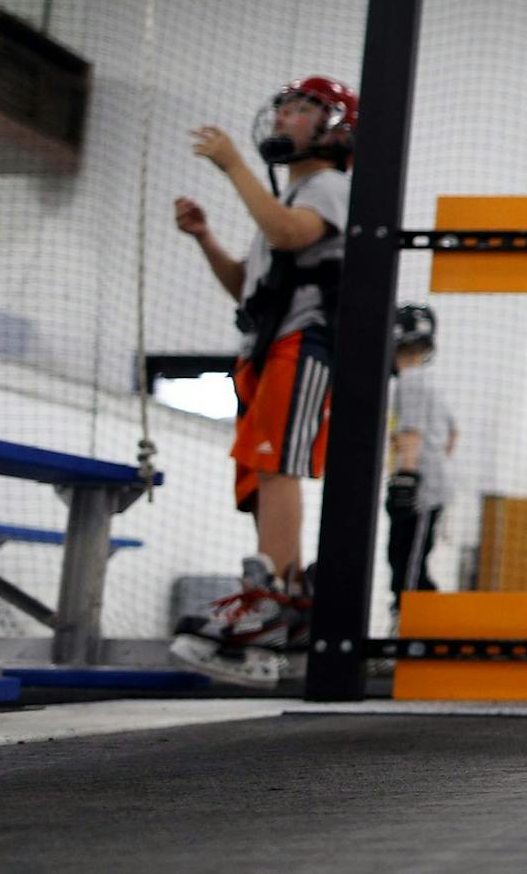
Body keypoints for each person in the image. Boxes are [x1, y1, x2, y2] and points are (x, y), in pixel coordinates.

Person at [169, 76, 356, 685]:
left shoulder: (326, 189)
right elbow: (248, 286)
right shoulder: (291, 198)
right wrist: (206, 240)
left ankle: (268, 600)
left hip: (304, 346)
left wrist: (232, 167)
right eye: (284, 106)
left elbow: (286, 234)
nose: (284, 117)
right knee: (260, 477)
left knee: (278, 469)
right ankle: (288, 605)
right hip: (266, 346)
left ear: (334, 129)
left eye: (303, 109)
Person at [386, 302, 457, 622]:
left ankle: (412, 626)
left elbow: (410, 433)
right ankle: (417, 622)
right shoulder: (432, 384)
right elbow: (454, 435)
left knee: (407, 565)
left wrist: (407, 475)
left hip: (420, 490)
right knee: (406, 558)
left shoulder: (410, 381)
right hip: (433, 484)